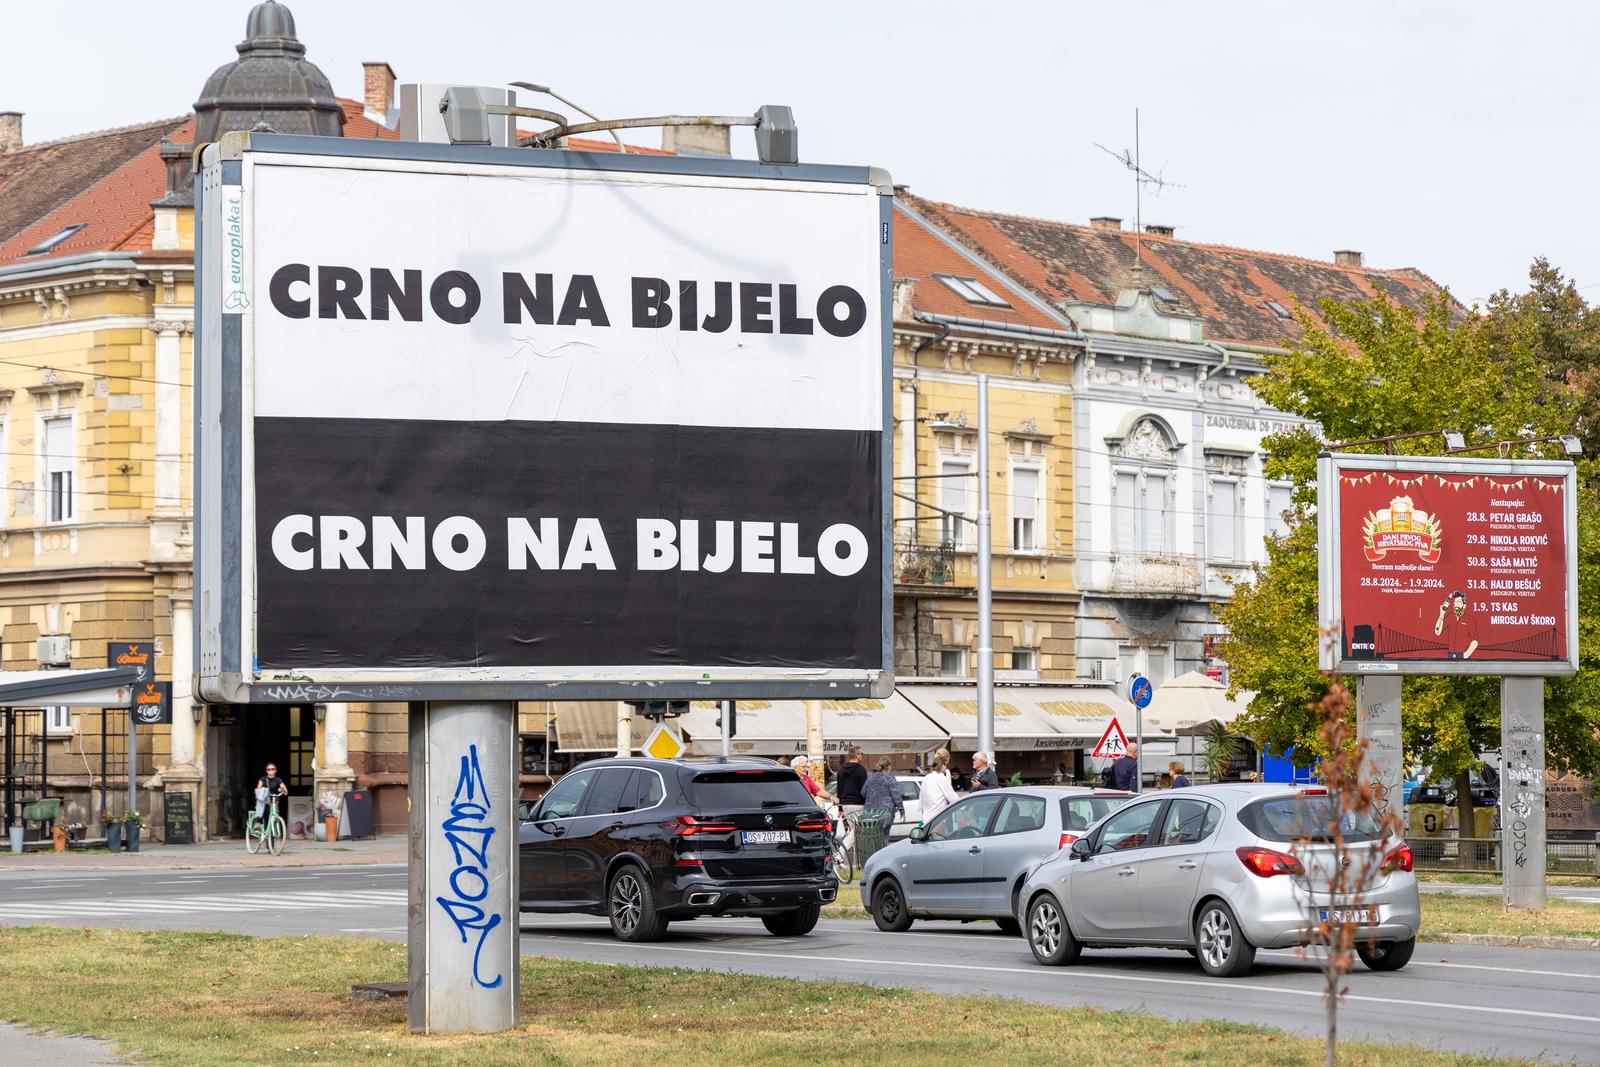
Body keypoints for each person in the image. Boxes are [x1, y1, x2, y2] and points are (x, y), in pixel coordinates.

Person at [1435, 591, 1480, 659]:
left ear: (1464, 606)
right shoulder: (1450, 616)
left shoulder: (1469, 619)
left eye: (1458, 602)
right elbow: (1437, 632)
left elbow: (1475, 640)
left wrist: (1466, 654)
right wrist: (1441, 614)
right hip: (1451, 655)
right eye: (1455, 602)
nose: (1456, 604)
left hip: (1463, 655)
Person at [861, 756, 905, 823]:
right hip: (886, 813)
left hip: (870, 814)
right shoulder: (890, 779)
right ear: (888, 767)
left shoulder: (870, 778)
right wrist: (902, 812)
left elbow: (863, 792)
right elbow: (897, 797)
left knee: (874, 832)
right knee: (885, 832)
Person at [920, 748, 959, 822]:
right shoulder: (942, 777)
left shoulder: (927, 777)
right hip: (939, 815)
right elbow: (952, 796)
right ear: (945, 763)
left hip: (927, 816)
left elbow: (922, 799)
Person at [835, 745, 868, 818]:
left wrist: (840, 808)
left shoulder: (841, 770)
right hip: (859, 803)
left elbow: (839, 789)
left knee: (852, 827)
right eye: (861, 754)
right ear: (857, 755)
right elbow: (865, 789)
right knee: (858, 828)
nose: (862, 756)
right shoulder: (861, 769)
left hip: (845, 804)